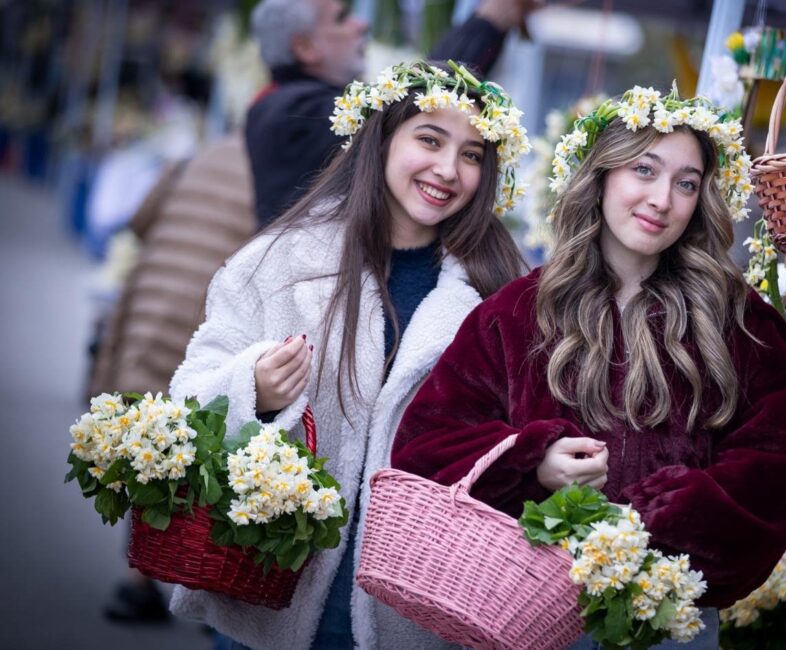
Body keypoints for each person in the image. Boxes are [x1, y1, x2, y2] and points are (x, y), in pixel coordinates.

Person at [391, 87, 786, 647]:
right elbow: (424, 451)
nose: (662, 199)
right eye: (644, 169)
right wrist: (532, 463)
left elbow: (780, 473)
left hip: (666, 621)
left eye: (686, 183)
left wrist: (657, 520)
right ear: (602, 176)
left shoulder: (742, 323)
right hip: (523, 614)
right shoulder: (515, 313)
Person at [168, 61, 529, 650]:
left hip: (416, 611)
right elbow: (188, 395)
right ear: (382, 137)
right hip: (269, 589)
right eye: (430, 139)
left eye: (472, 154)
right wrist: (250, 387)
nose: (447, 170)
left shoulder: (504, 293)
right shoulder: (281, 261)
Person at [88, 134, 255, 624]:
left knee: (150, 449)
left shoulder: (200, 153)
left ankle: (135, 579)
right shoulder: (283, 173)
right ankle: (176, 583)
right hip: (200, 319)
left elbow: (139, 221)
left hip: (149, 305)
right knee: (190, 453)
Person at [246, 0, 541, 227]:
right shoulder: (292, 111)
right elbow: (423, 98)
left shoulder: (284, 103)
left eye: (471, 155)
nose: (361, 25)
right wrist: (490, 20)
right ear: (305, 47)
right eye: (341, 18)